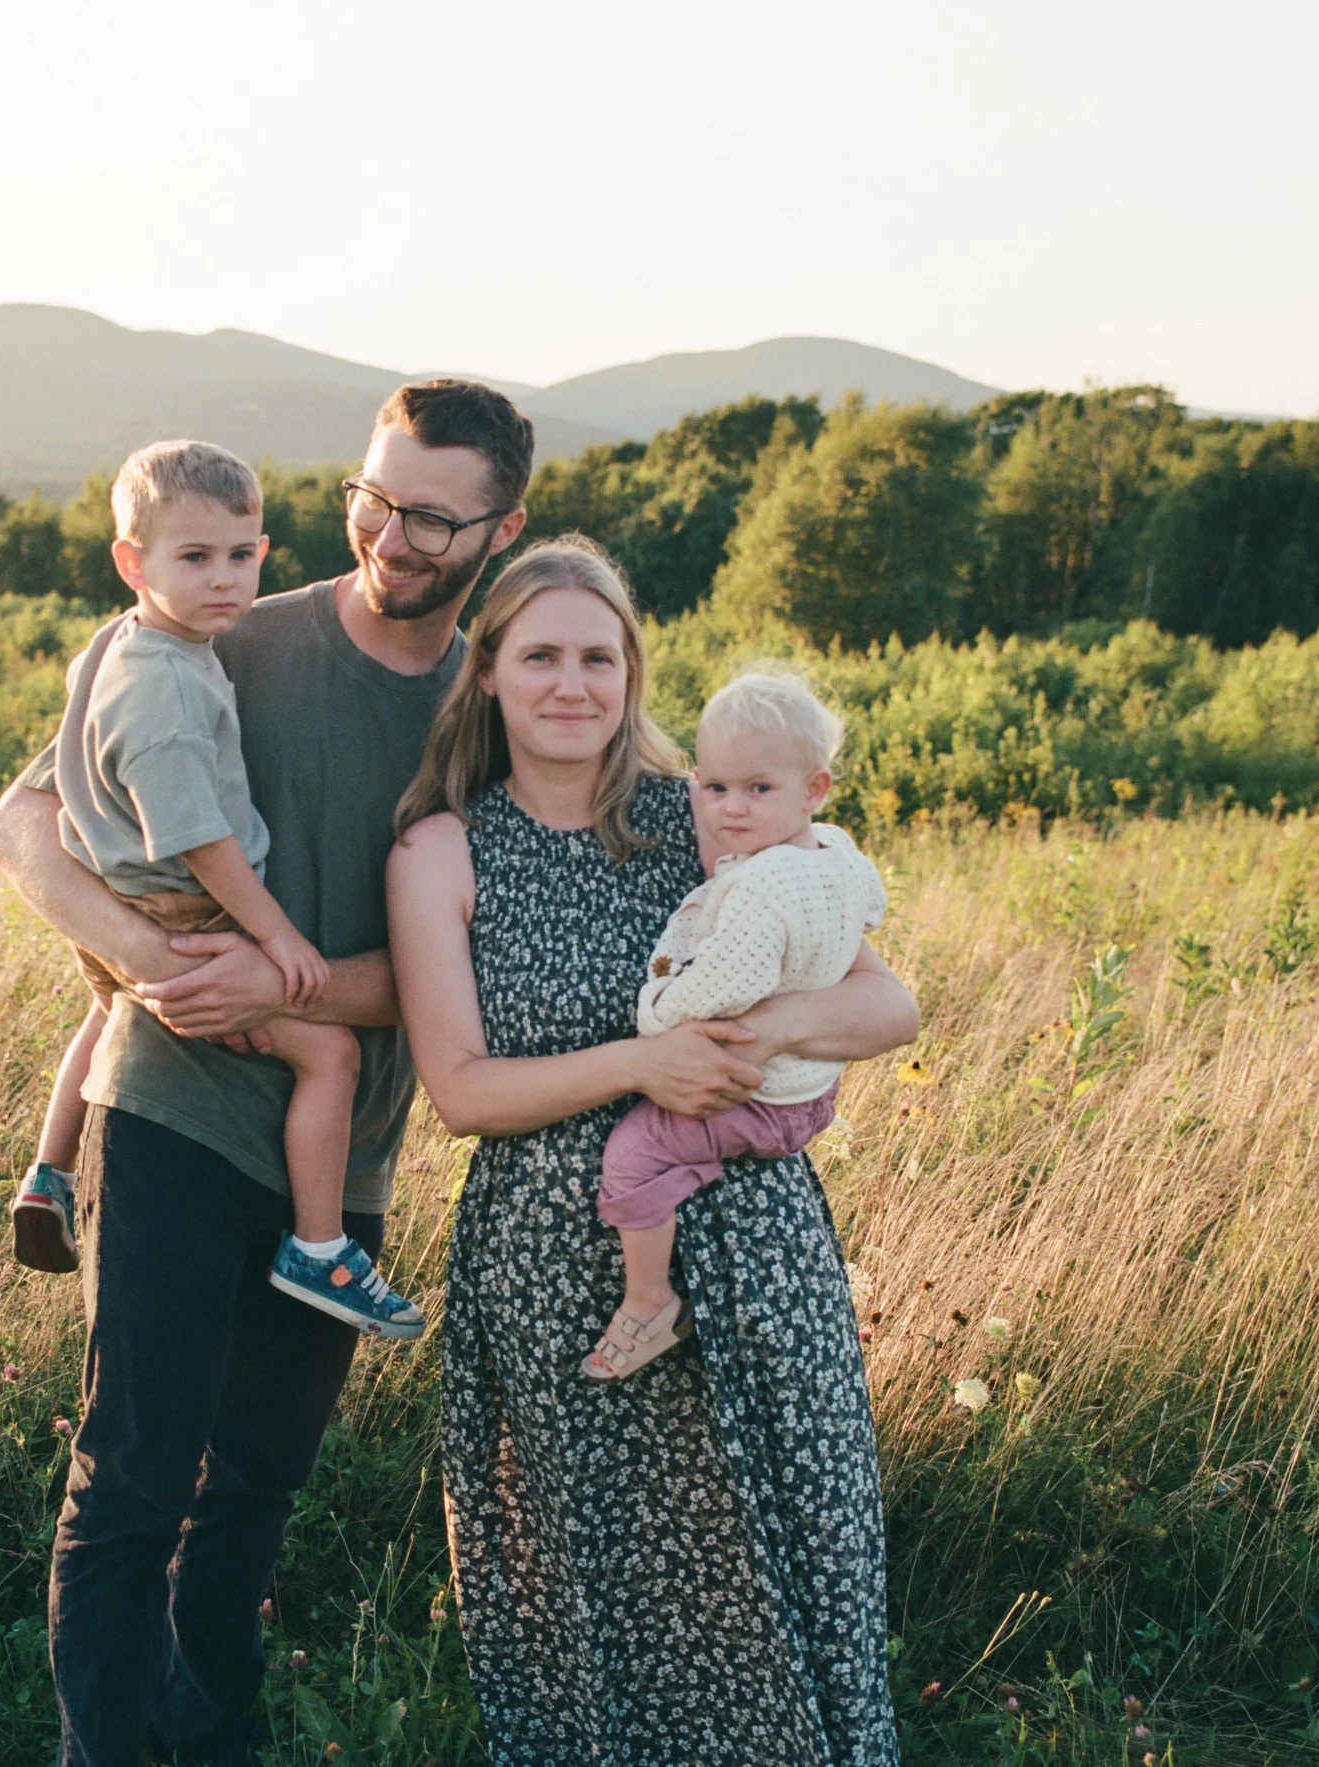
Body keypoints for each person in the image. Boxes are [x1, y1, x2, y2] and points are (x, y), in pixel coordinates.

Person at [0, 381, 593, 1767]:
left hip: (343, 1157)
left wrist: (282, 976)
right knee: (133, 1474)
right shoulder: (225, 633)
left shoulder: (496, 711)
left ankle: (214, 1741)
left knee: (254, 1485)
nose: (394, 531)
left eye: (434, 514)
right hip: (174, 1106)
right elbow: (20, 821)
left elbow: (478, 973)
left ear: (498, 528)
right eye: (377, 496)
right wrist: (153, 954)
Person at [387, 540, 914, 1764]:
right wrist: (641, 1065)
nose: (572, 684)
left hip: (755, 1254)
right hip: (560, 1281)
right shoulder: (442, 851)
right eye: (541, 657)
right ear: (488, 677)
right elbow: (459, 1091)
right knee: (602, 1599)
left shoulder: (716, 812)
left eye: (598, 656)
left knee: (782, 1568)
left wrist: (757, 1030)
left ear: (631, 672)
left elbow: (889, 1008)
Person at [5, 437, 421, 1341]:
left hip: (110, 881)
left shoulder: (132, 641)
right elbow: (201, 842)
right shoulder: (162, 691)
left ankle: (49, 1172)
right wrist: (279, 942)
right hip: (183, 910)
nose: (224, 580)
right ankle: (319, 1244)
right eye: (194, 559)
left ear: (264, 550)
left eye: (241, 555)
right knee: (332, 1056)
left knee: (105, 1010)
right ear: (132, 562)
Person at [581, 669, 888, 1382]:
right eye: (715, 788)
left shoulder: (763, 885)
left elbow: (728, 985)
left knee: (634, 1153)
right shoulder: (837, 852)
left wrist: (658, 1013)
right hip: (809, 1091)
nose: (732, 809)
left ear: (814, 789)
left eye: (758, 789)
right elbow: (870, 906)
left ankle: (648, 1300)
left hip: (756, 1093)